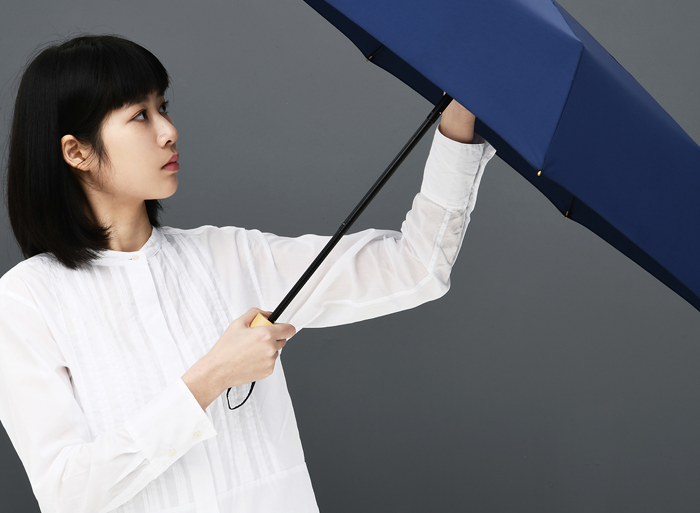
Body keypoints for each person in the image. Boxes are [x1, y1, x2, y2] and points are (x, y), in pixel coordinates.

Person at [0, 34, 496, 513]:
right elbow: (67, 494)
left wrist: (457, 125)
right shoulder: (26, 301)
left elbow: (415, 266)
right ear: (77, 152)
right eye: (140, 116)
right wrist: (213, 375)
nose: (169, 131)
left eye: (163, 107)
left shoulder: (228, 256)